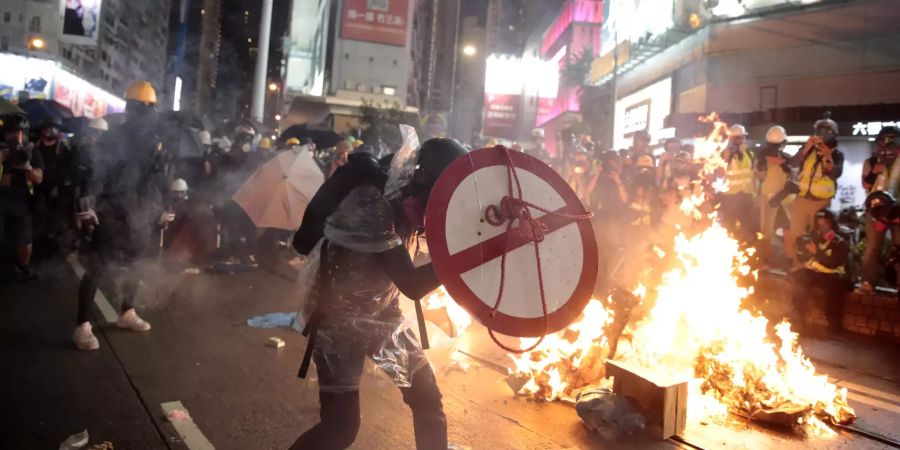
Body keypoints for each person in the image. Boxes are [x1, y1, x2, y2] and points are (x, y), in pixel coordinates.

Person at [290, 138, 468, 450]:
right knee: (340, 429)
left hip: (382, 314)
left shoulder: (407, 199)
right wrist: (471, 256)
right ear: (424, 176)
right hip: (337, 321)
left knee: (426, 398)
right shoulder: (371, 204)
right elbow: (412, 284)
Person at [72, 80, 159, 351]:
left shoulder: (154, 143)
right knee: (97, 266)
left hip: (138, 211)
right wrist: (87, 207)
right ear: (131, 109)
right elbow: (96, 173)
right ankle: (82, 325)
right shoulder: (112, 137)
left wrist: (160, 206)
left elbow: (155, 179)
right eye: (141, 109)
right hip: (110, 209)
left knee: (135, 264)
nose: (145, 115)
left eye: (149, 110)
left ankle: (127, 312)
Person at [784, 114, 844, 268]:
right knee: (797, 235)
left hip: (821, 203)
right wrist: (806, 148)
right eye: (820, 131)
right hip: (802, 199)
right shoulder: (807, 150)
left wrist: (827, 156)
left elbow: (835, 173)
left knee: (817, 237)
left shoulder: (836, 154)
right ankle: (798, 269)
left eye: (826, 131)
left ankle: (815, 269)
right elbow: (793, 162)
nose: (822, 135)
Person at [0, 112, 44, 280]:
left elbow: (39, 178)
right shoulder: (2, 150)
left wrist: (26, 167)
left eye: (20, 133)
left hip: (21, 201)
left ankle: (23, 267)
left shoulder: (33, 152)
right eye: (12, 133)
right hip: (1, 198)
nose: (16, 137)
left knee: (24, 239)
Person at [791, 208, 849, 334]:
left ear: (832, 224)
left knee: (833, 290)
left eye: (825, 223)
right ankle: (797, 319)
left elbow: (833, 263)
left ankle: (834, 326)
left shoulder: (840, 242)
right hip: (814, 274)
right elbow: (802, 259)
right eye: (819, 224)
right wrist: (801, 248)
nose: (822, 227)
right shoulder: (813, 239)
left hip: (832, 276)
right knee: (800, 281)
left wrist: (816, 252)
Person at [859, 126, 900, 293]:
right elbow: (866, 184)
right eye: (884, 140)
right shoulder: (871, 162)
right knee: (872, 248)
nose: (887, 144)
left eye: (892, 140)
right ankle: (867, 284)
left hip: (898, 211)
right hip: (876, 212)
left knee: (899, 249)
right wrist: (875, 171)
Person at [34, 117, 76, 250]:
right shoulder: (35, 146)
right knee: (37, 216)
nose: (51, 131)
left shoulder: (63, 149)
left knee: (55, 218)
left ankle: (51, 245)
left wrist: (60, 187)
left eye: (55, 128)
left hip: (56, 190)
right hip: (36, 188)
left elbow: (68, 170)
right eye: (49, 127)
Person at [756, 125, 791, 258]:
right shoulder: (762, 158)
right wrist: (766, 162)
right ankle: (765, 259)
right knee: (767, 232)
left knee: (788, 230)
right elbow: (758, 176)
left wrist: (782, 163)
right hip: (769, 199)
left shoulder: (784, 157)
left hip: (783, 199)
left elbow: (790, 172)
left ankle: (789, 259)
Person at [718, 124, 757, 243]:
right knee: (728, 226)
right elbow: (719, 175)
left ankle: (746, 250)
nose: (739, 140)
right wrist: (726, 158)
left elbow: (753, 175)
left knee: (748, 226)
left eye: (741, 137)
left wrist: (756, 195)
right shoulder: (723, 154)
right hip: (730, 196)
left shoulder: (750, 154)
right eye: (736, 138)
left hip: (746, 195)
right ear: (730, 139)